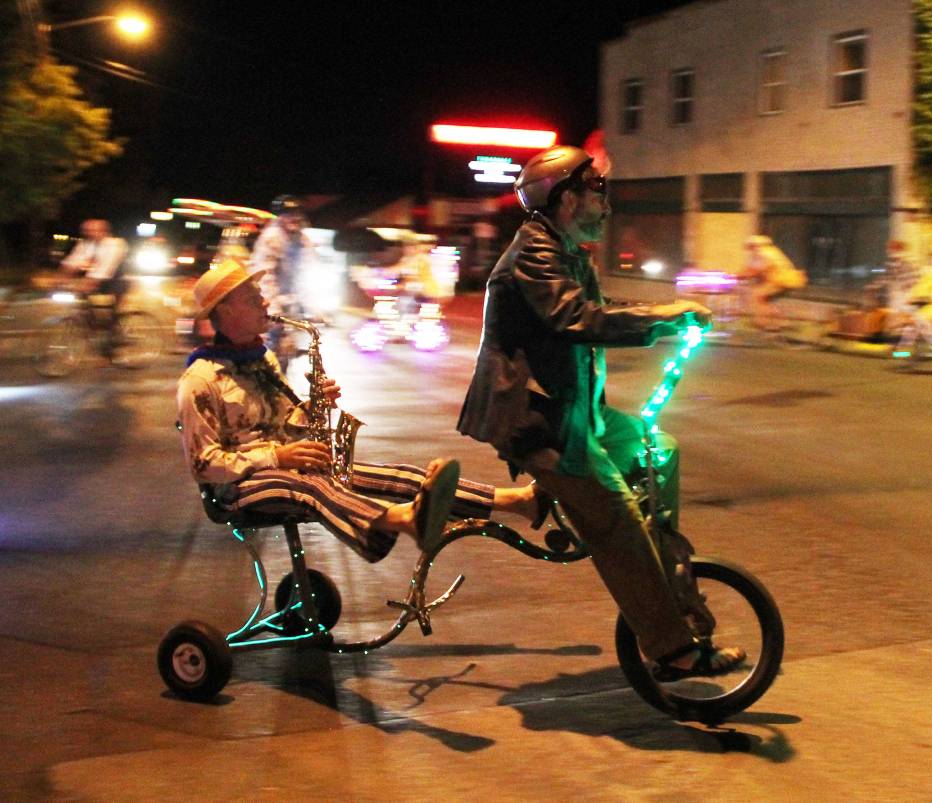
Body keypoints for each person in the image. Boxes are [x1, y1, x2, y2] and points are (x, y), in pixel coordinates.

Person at [457, 144, 744, 676]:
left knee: (661, 449)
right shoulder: (532, 255)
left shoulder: (565, 251)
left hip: (575, 413)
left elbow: (602, 310)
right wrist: (666, 314)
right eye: (598, 191)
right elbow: (577, 319)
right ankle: (672, 650)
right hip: (536, 420)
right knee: (617, 523)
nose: (607, 204)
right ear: (566, 198)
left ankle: (657, 561)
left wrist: (665, 318)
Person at [177, 260, 538, 561]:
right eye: (252, 298)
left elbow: (283, 427)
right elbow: (204, 465)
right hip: (236, 490)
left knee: (396, 475)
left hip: (283, 469)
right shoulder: (201, 378)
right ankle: (404, 519)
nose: (264, 302)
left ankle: (516, 501)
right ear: (225, 310)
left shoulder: (263, 359)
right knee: (311, 486)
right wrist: (277, 456)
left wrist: (311, 409)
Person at [249, 195, 318, 357]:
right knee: (267, 349)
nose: (294, 217)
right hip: (269, 302)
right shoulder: (271, 238)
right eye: (288, 213)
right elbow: (265, 276)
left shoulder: (303, 240)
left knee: (287, 351)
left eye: (297, 213)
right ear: (280, 216)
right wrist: (272, 308)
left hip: (290, 303)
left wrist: (313, 306)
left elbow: (307, 272)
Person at [59, 218, 129, 353]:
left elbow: (105, 268)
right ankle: (95, 328)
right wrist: (59, 279)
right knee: (85, 305)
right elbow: (71, 262)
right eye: (87, 231)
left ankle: (114, 337)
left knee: (111, 313)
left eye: (94, 231)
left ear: (104, 231)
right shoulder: (86, 245)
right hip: (97, 280)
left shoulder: (115, 244)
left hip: (116, 281)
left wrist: (87, 283)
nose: (90, 234)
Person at [740, 235, 807, 331]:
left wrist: (738, 276)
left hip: (781, 281)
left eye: (750, 246)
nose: (749, 249)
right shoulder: (761, 253)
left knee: (758, 295)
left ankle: (765, 323)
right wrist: (739, 275)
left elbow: (755, 270)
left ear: (755, 245)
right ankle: (778, 323)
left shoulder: (765, 253)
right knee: (764, 299)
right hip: (779, 281)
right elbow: (749, 268)